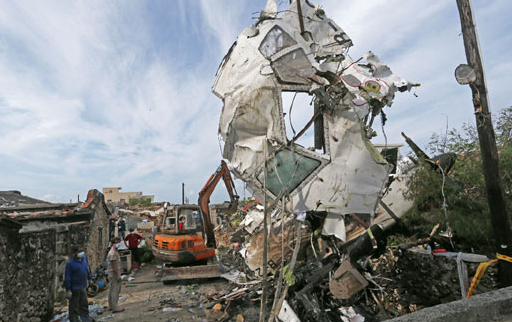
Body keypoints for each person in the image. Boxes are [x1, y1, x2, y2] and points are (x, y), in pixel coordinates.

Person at [65, 246, 93, 322]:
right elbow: (67, 277)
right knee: (74, 307)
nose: (82, 253)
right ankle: (74, 320)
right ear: (74, 253)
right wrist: (68, 289)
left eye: (82, 251)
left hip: (83, 287)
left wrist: (89, 278)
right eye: (80, 251)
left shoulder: (84, 260)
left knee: (84, 305)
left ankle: (85, 319)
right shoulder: (70, 264)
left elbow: (86, 270)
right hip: (75, 289)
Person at [107, 237, 125, 313]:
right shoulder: (113, 253)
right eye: (116, 243)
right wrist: (118, 275)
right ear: (113, 243)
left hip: (111, 274)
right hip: (114, 274)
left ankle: (111, 305)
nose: (118, 244)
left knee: (111, 290)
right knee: (115, 290)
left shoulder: (114, 251)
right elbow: (114, 265)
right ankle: (115, 307)